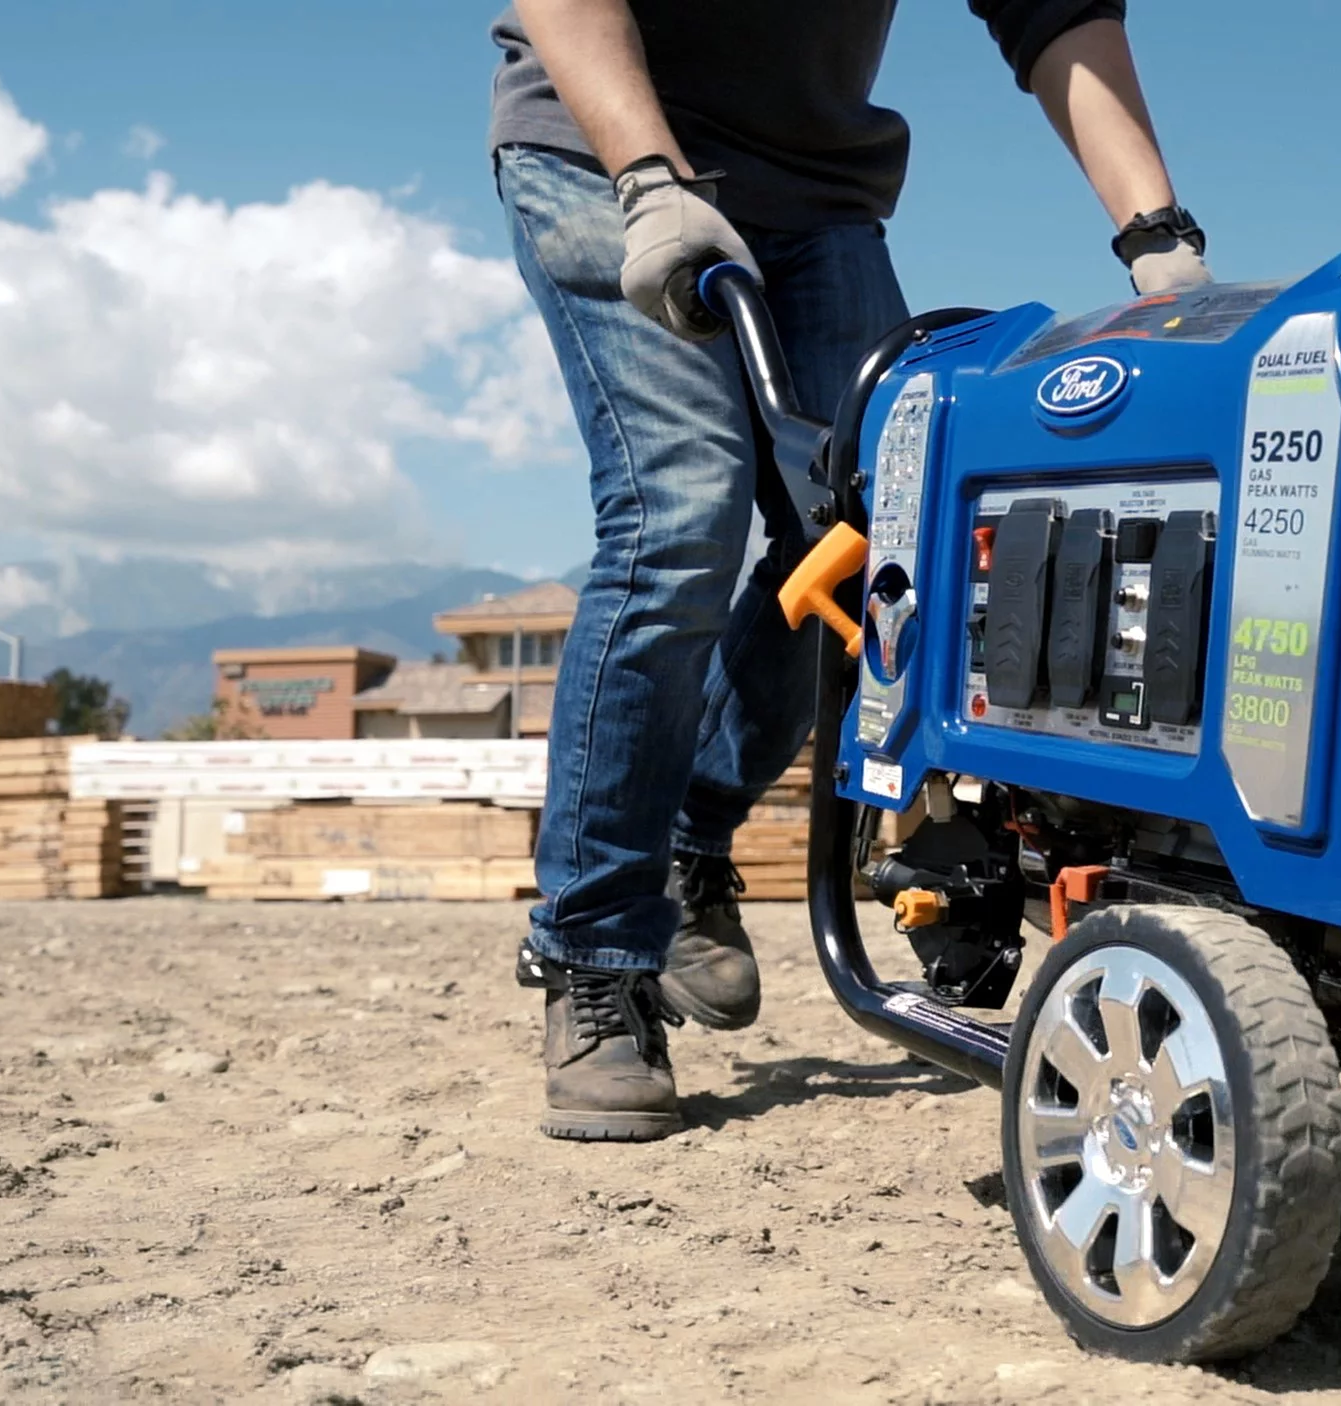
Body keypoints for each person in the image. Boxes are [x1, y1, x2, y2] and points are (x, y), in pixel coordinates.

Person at [490, 0, 1211, 1142]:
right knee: (680, 513)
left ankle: (689, 839)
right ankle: (590, 952)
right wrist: (647, 176)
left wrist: (1157, 236)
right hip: (600, 146)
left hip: (816, 198)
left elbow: (1050, 7)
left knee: (884, 533)